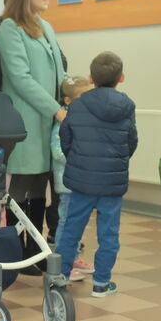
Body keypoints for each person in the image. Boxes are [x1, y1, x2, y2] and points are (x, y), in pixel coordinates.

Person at [0, 0, 67, 264]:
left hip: (47, 119)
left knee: (40, 187)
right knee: (21, 187)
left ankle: (36, 251)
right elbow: (20, 78)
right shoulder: (10, 28)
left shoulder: (45, 26)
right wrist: (56, 109)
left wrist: (69, 96)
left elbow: (59, 70)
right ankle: (13, 251)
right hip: (26, 119)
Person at [53, 52, 137, 298]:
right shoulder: (127, 105)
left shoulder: (77, 105)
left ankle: (61, 277)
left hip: (82, 182)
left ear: (91, 78)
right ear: (121, 77)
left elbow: (65, 137)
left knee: (71, 229)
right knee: (109, 234)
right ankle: (102, 283)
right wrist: (116, 162)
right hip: (112, 183)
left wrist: (78, 161)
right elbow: (131, 141)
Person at [51, 76, 93, 281]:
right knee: (67, 223)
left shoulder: (83, 117)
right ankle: (61, 264)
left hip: (81, 181)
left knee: (79, 223)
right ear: (68, 101)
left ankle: (73, 257)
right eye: (82, 97)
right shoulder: (63, 121)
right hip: (67, 182)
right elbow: (58, 152)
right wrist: (80, 157)